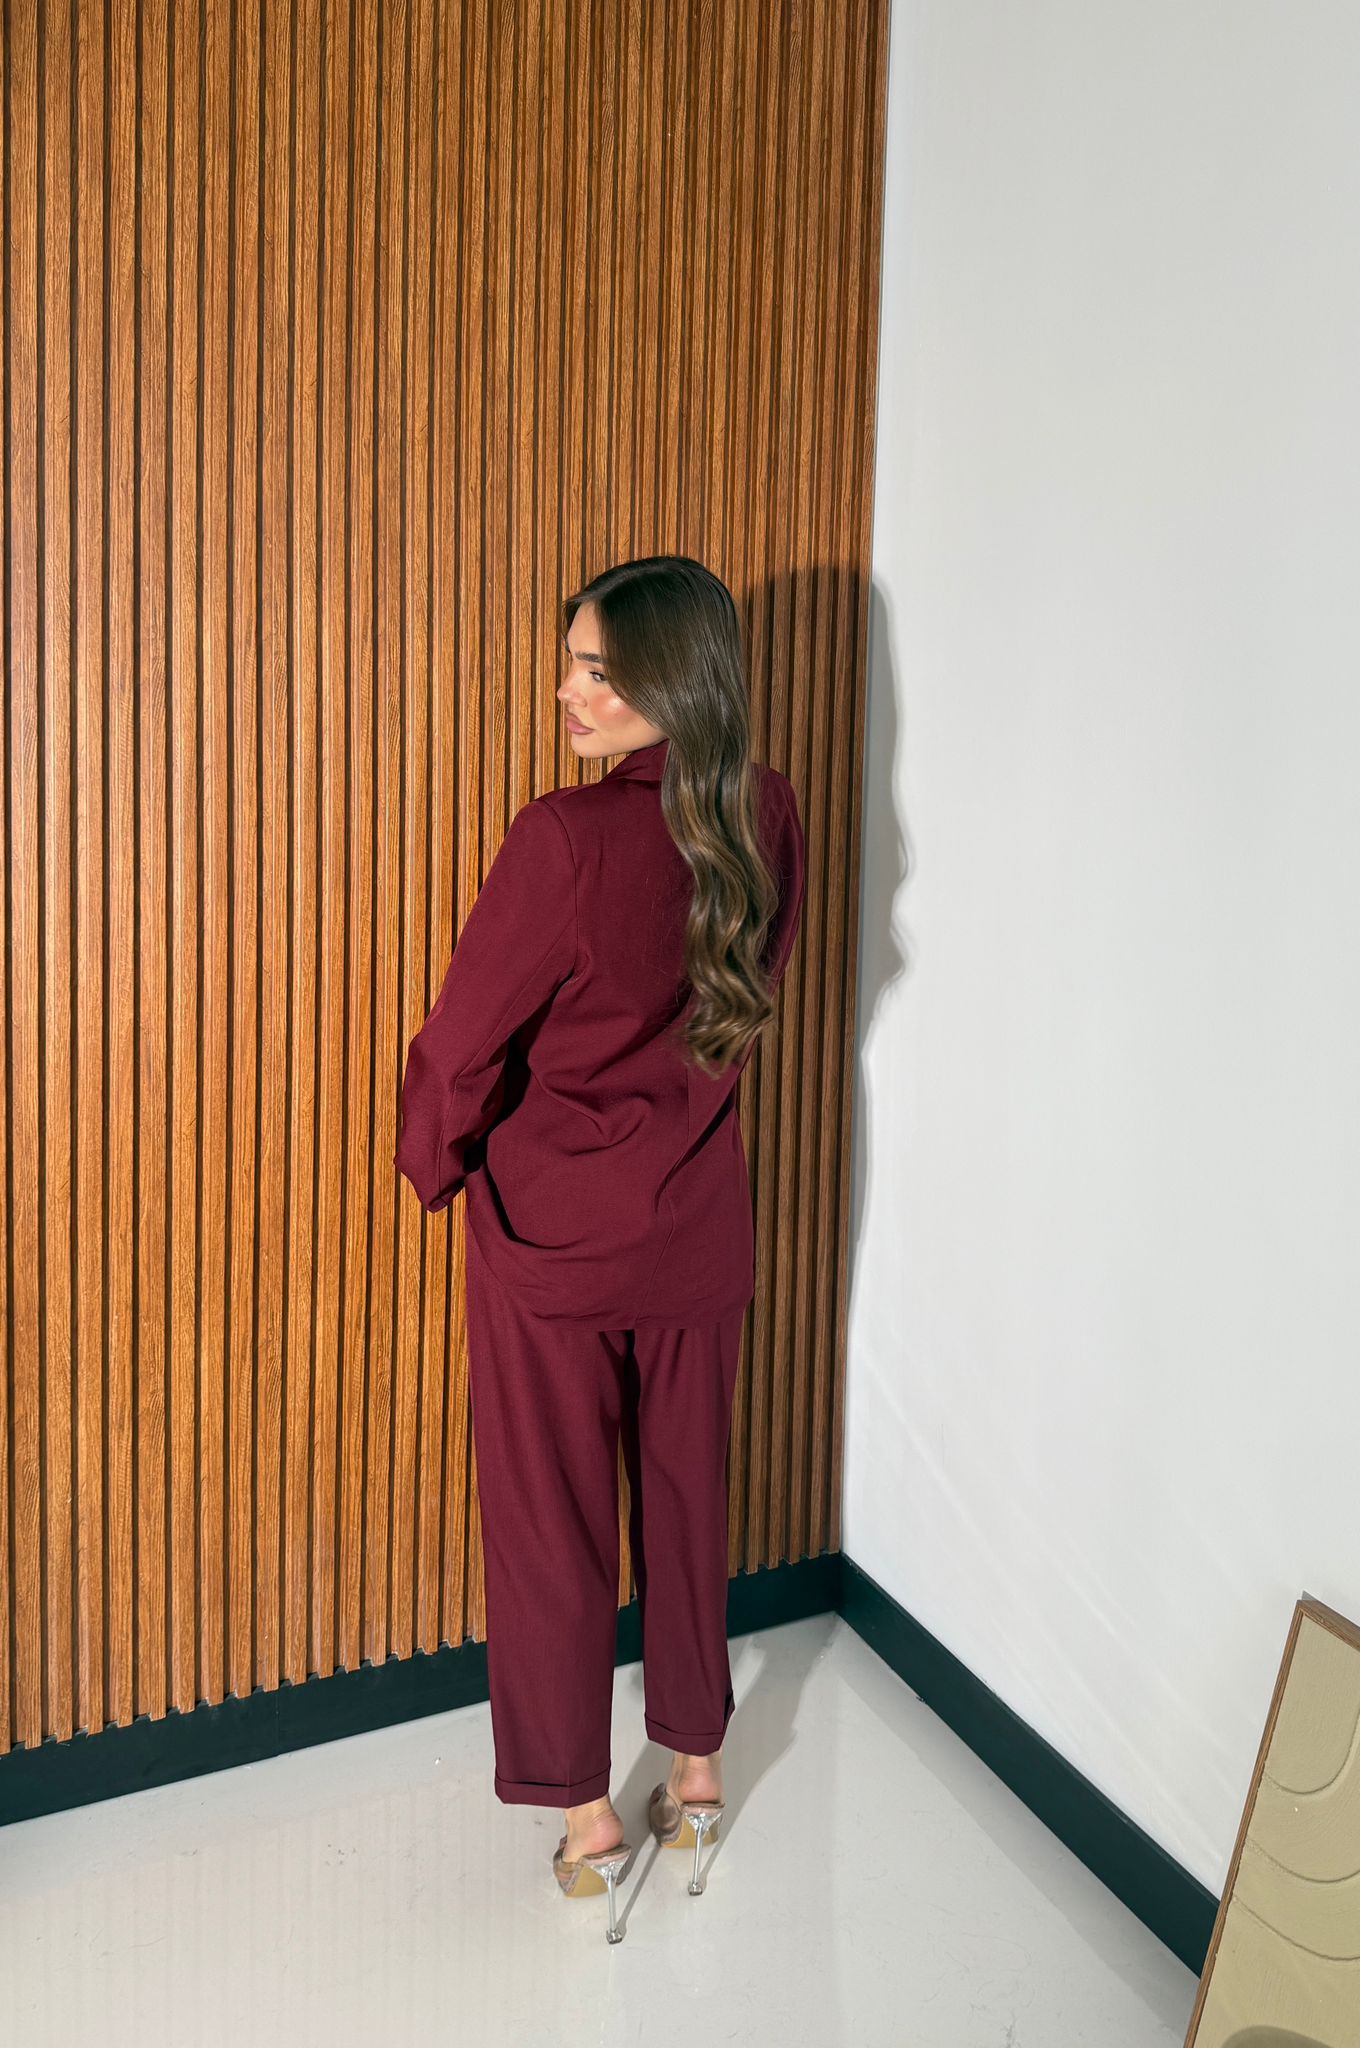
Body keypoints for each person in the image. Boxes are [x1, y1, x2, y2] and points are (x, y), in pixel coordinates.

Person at [394, 554, 805, 1940]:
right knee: (689, 1501)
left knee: (552, 1526)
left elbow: (459, 1044)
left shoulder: (562, 839)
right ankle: (697, 1771)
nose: (569, 692)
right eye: (571, 662)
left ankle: (584, 1813)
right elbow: (749, 995)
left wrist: (436, 1164)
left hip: (555, 1244)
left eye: (600, 670)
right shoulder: (768, 814)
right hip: (697, 1231)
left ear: (673, 680)